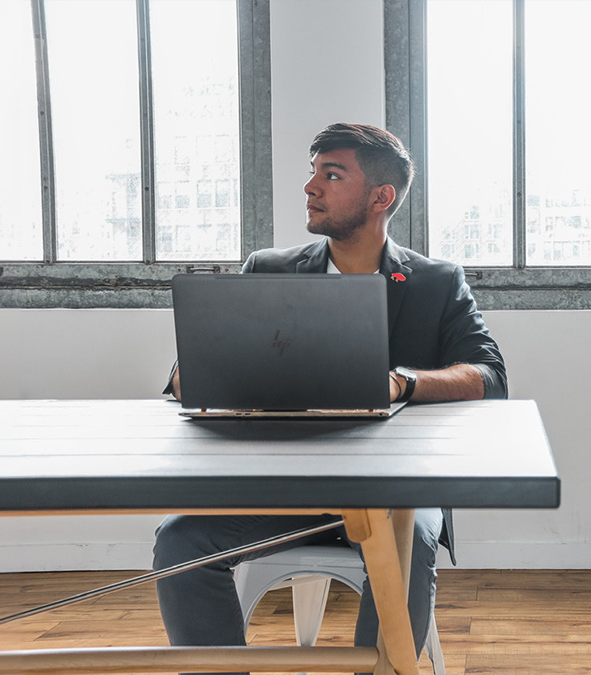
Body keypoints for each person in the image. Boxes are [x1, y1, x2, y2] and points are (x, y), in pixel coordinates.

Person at [153, 123, 507, 675]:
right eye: (313, 171)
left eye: (331, 174)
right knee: (180, 538)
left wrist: (401, 382)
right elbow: (186, 375)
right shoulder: (267, 270)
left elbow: (489, 375)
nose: (310, 187)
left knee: (408, 544)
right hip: (281, 488)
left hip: (396, 492)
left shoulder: (438, 282)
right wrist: (196, 373)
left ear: (380, 197)